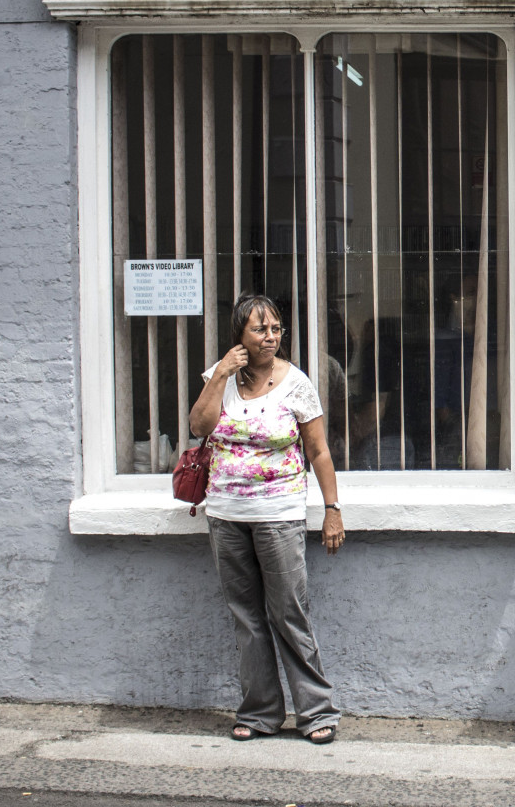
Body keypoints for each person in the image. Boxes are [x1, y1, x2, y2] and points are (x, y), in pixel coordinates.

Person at [189, 295, 345, 745]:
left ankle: (316, 713)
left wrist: (332, 509)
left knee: (289, 612)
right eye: (260, 330)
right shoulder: (219, 379)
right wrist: (220, 373)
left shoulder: (296, 383)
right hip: (225, 515)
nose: (270, 337)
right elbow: (200, 427)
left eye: (276, 329)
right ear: (239, 335)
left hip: (279, 514)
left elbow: (318, 450)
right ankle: (259, 714)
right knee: (247, 617)